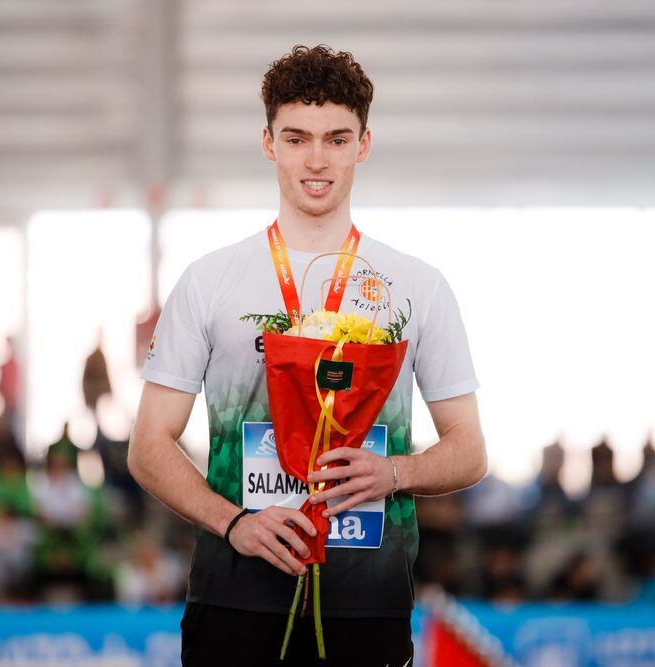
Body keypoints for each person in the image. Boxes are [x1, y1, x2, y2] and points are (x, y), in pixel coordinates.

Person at [128, 45, 487, 666]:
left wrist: (394, 473)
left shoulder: (416, 286)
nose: (316, 160)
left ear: (364, 145)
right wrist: (235, 522)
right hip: (235, 594)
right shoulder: (210, 280)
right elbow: (149, 445)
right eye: (296, 138)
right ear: (268, 143)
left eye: (336, 139)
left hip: (367, 599)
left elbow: (470, 448)